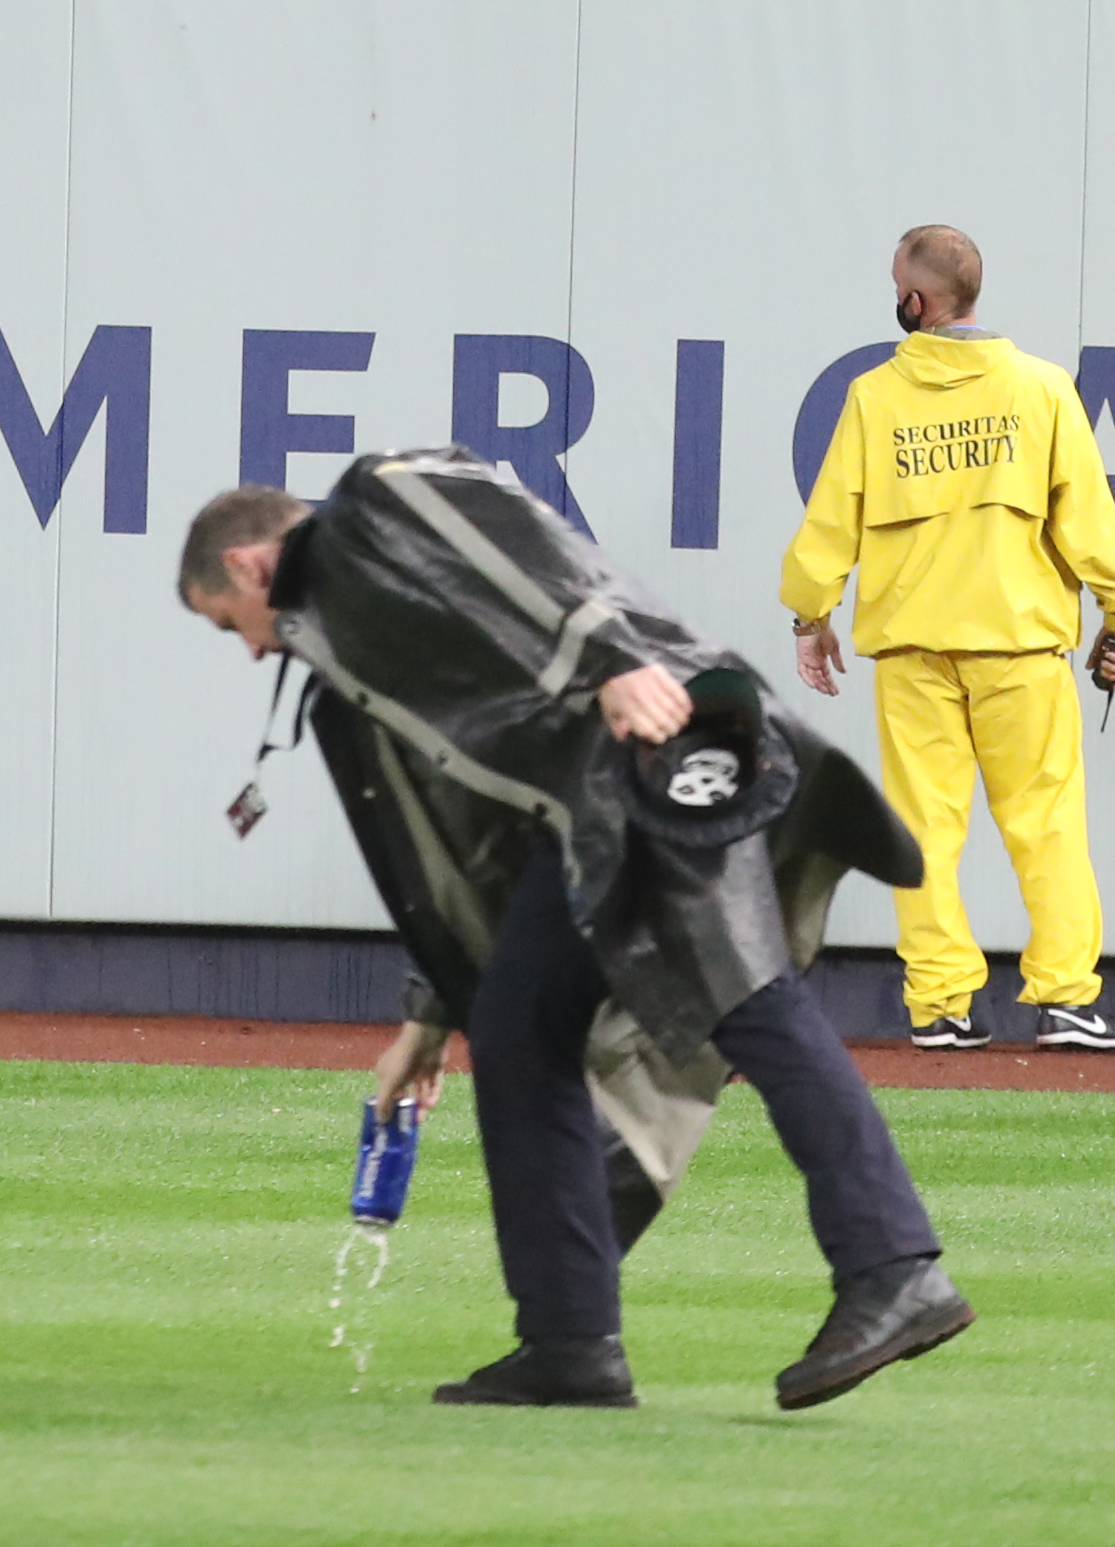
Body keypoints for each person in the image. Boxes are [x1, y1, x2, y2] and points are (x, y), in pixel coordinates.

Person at [174, 459, 966, 1418]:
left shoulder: (379, 499)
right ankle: (568, 1343)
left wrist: (617, 660)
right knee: (515, 1029)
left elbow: (518, 547)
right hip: (582, 815)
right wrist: (428, 1016)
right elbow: (454, 856)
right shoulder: (347, 669)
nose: (251, 652)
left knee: (748, 998)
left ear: (249, 565)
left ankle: (893, 1267)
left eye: (227, 625)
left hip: (658, 746)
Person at [776, 221, 1115, 1056]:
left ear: (917, 300)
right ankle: (1063, 1000)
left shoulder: (877, 397)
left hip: (915, 651)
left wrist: (811, 617)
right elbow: (1090, 524)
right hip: (1019, 650)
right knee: (1046, 823)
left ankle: (939, 1004)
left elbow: (830, 520)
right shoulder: (1042, 389)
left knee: (923, 829)